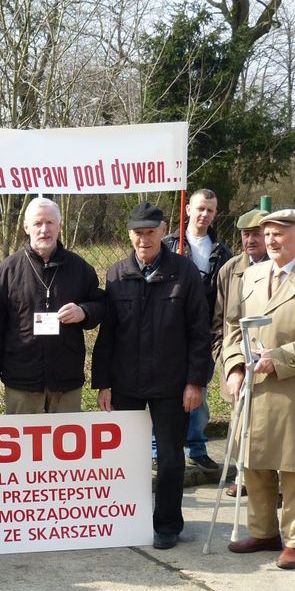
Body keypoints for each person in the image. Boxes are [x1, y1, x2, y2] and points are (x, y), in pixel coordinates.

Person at [223, 208, 295, 570]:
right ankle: (263, 532)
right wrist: (233, 367)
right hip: (253, 389)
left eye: (279, 234)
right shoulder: (251, 276)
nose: (271, 241)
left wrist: (276, 358)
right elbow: (231, 327)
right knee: (255, 463)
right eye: (268, 234)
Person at [91, 202, 211, 550]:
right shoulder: (117, 273)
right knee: (127, 457)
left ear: (163, 232)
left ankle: (168, 523)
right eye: (138, 233)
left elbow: (199, 332)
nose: (144, 239)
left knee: (171, 457)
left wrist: (195, 381)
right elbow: (108, 335)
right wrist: (103, 383)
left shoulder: (184, 272)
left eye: (150, 232)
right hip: (126, 381)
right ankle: (129, 519)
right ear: (129, 234)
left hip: (171, 383)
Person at [0, 197, 104, 413]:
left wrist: (84, 312)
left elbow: (101, 305)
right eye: (38, 223)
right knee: (24, 445)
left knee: (67, 445)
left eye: (50, 223)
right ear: (26, 227)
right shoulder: (6, 271)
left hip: (66, 377)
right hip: (21, 379)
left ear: (60, 226)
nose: (44, 230)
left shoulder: (80, 268)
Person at [164, 189, 233, 481]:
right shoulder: (169, 245)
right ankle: (160, 450)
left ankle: (196, 446)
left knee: (198, 391)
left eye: (210, 210)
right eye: (200, 208)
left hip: (203, 332)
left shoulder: (222, 252)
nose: (204, 215)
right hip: (169, 331)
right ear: (188, 209)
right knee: (165, 393)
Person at [213, 208, 269, 497]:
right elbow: (219, 322)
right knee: (240, 424)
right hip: (237, 362)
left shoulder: (283, 268)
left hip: (272, 361)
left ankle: (276, 483)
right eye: (246, 234)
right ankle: (243, 476)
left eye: (257, 233)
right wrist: (225, 360)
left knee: (271, 426)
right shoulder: (230, 270)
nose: (251, 239)